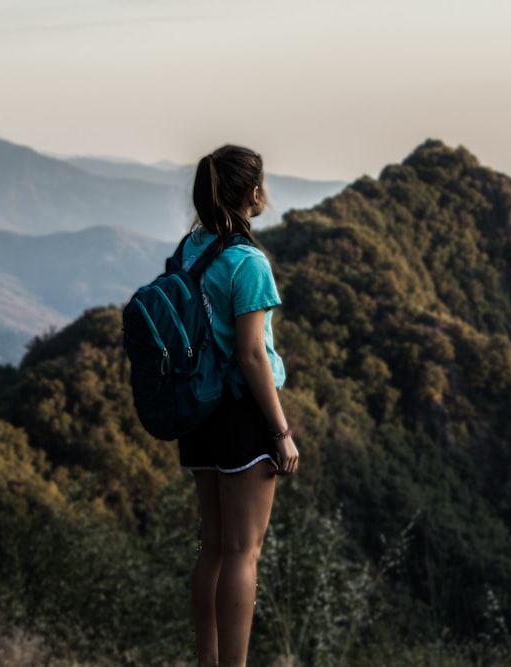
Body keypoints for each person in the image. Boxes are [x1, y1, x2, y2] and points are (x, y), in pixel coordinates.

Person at [177, 145, 299, 667]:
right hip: (243, 417)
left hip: (197, 411)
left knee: (213, 547)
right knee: (243, 552)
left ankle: (207, 660)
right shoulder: (248, 262)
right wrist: (281, 431)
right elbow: (251, 355)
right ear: (254, 194)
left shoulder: (191, 248)